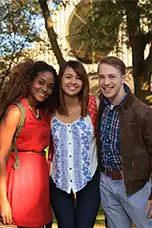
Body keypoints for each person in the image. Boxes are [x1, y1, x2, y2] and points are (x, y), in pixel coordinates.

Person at [0, 60, 59, 227]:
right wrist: (3, 201)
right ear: (30, 81)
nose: (45, 89)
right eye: (41, 82)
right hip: (19, 185)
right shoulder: (15, 111)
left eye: (50, 86)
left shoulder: (44, 113)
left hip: (39, 186)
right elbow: (0, 157)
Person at [97, 56, 152, 228]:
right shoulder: (100, 105)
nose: (106, 82)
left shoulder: (142, 112)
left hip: (137, 187)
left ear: (123, 78)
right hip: (106, 182)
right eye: (101, 77)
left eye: (112, 76)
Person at [48, 60, 100, 228]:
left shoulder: (94, 104)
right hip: (59, 181)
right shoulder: (50, 109)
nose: (73, 82)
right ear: (60, 80)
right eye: (68, 76)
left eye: (78, 77)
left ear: (83, 81)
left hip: (89, 178)